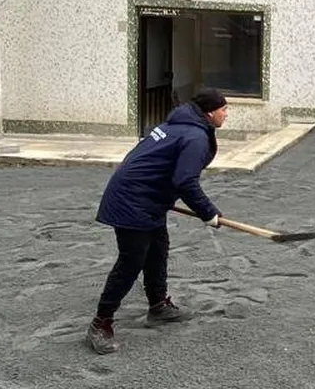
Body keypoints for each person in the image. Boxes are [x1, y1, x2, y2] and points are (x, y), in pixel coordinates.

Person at [85, 88, 230, 354]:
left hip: (147, 199)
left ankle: (158, 306)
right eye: (224, 109)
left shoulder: (176, 125)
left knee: (157, 250)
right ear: (210, 113)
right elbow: (185, 181)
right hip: (132, 201)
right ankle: (100, 323)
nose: (226, 114)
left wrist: (159, 195)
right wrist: (208, 212)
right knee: (131, 261)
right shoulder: (194, 136)